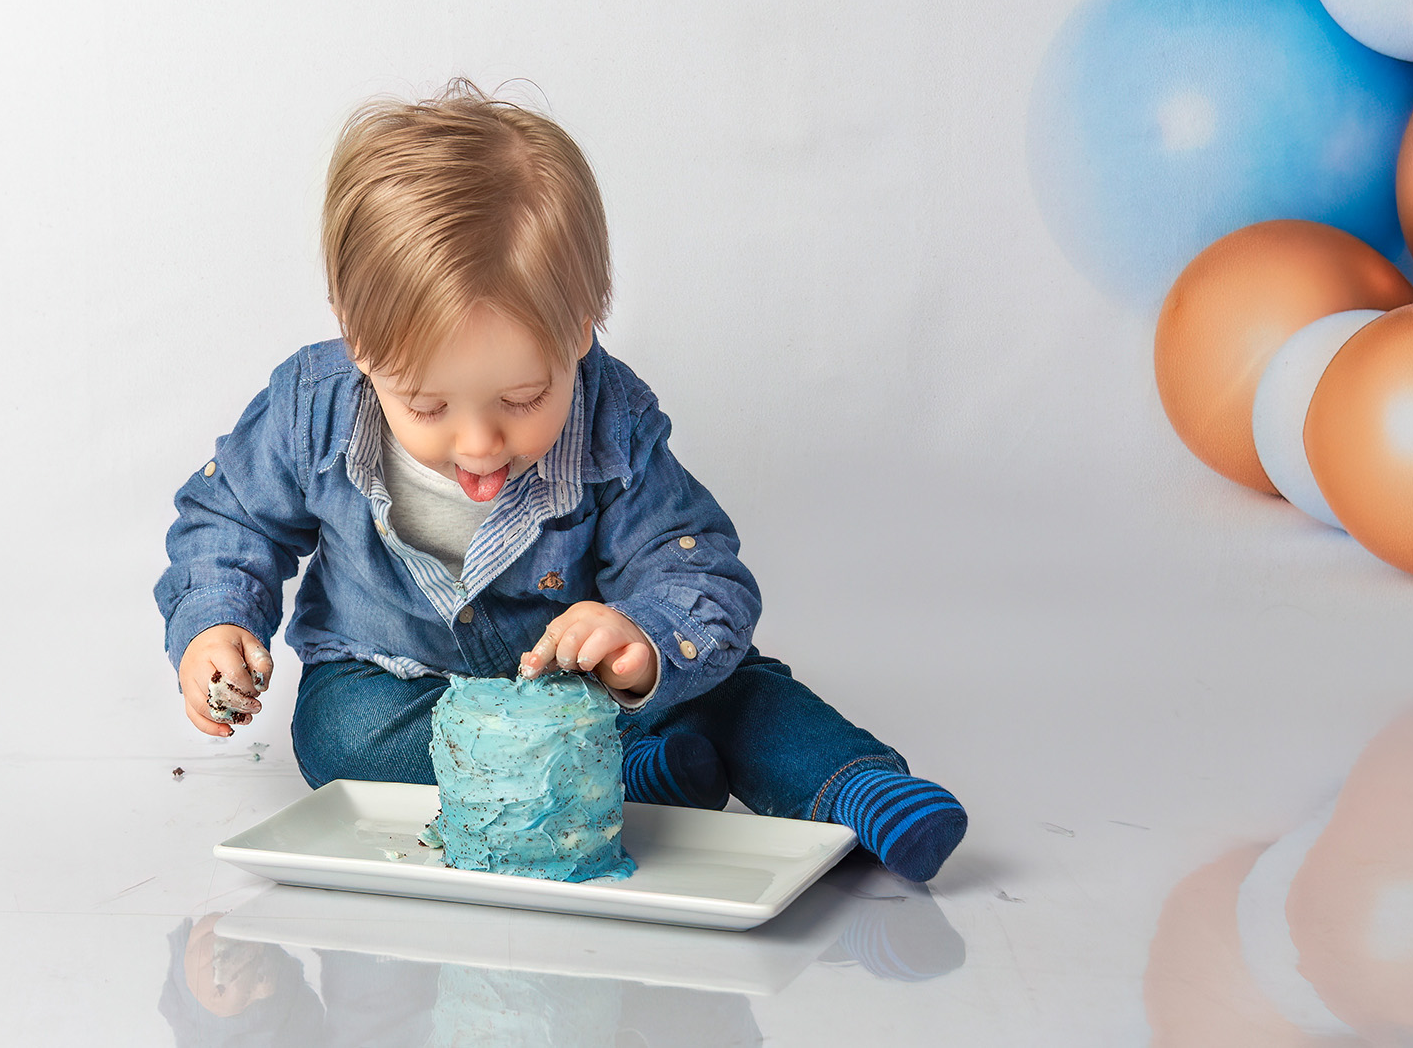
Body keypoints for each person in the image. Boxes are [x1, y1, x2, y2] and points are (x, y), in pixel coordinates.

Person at [153, 82, 966, 881]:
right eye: (428, 404)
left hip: (582, 687)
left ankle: (856, 786)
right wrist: (213, 626)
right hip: (400, 676)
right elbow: (228, 520)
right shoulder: (311, 409)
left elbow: (697, 567)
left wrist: (641, 640)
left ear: (582, 329)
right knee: (339, 735)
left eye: (522, 398)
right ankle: (624, 776)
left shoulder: (612, 421)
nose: (478, 444)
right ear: (358, 340)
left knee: (733, 683)